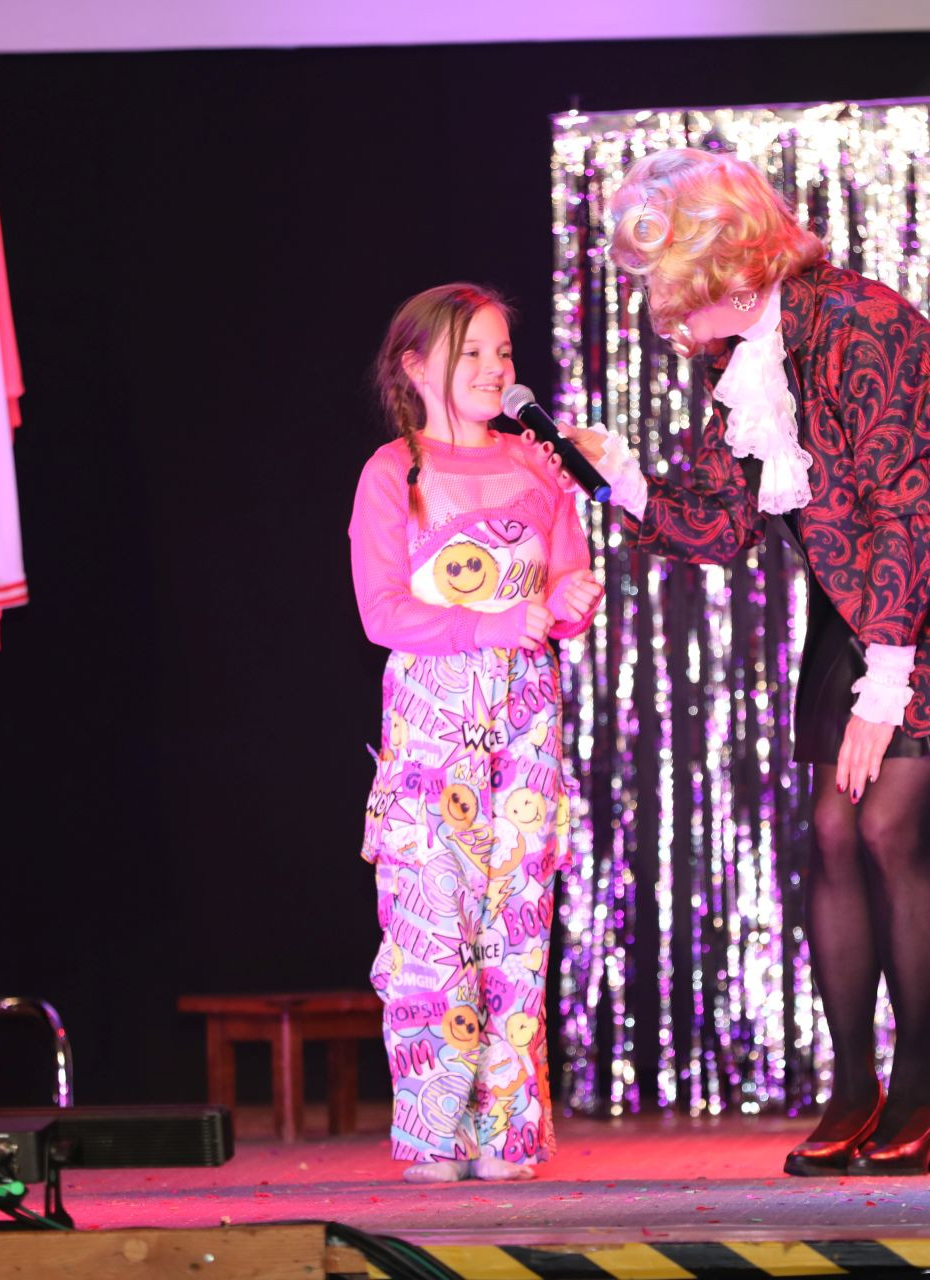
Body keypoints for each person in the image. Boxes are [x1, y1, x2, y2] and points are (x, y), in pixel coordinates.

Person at [564, 149, 930, 1176]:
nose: (661, 317)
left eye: (668, 289)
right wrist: (620, 481)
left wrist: (885, 684)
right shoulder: (749, 354)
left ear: (723, 267)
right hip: (862, 604)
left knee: (888, 824)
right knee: (835, 831)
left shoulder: (863, 325)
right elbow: (722, 524)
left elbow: (909, 506)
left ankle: (919, 1087)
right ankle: (854, 1088)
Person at [350, 284, 604, 1183]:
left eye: (503, 352)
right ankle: (435, 1132)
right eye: (473, 353)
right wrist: (491, 623)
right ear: (416, 368)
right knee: (434, 925)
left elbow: (564, 584)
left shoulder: (539, 464)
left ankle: (509, 1133)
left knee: (516, 922)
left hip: (526, 715)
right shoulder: (395, 472)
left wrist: (571, 600)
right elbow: (382, 611)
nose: (497, 369)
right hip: (434, 717)